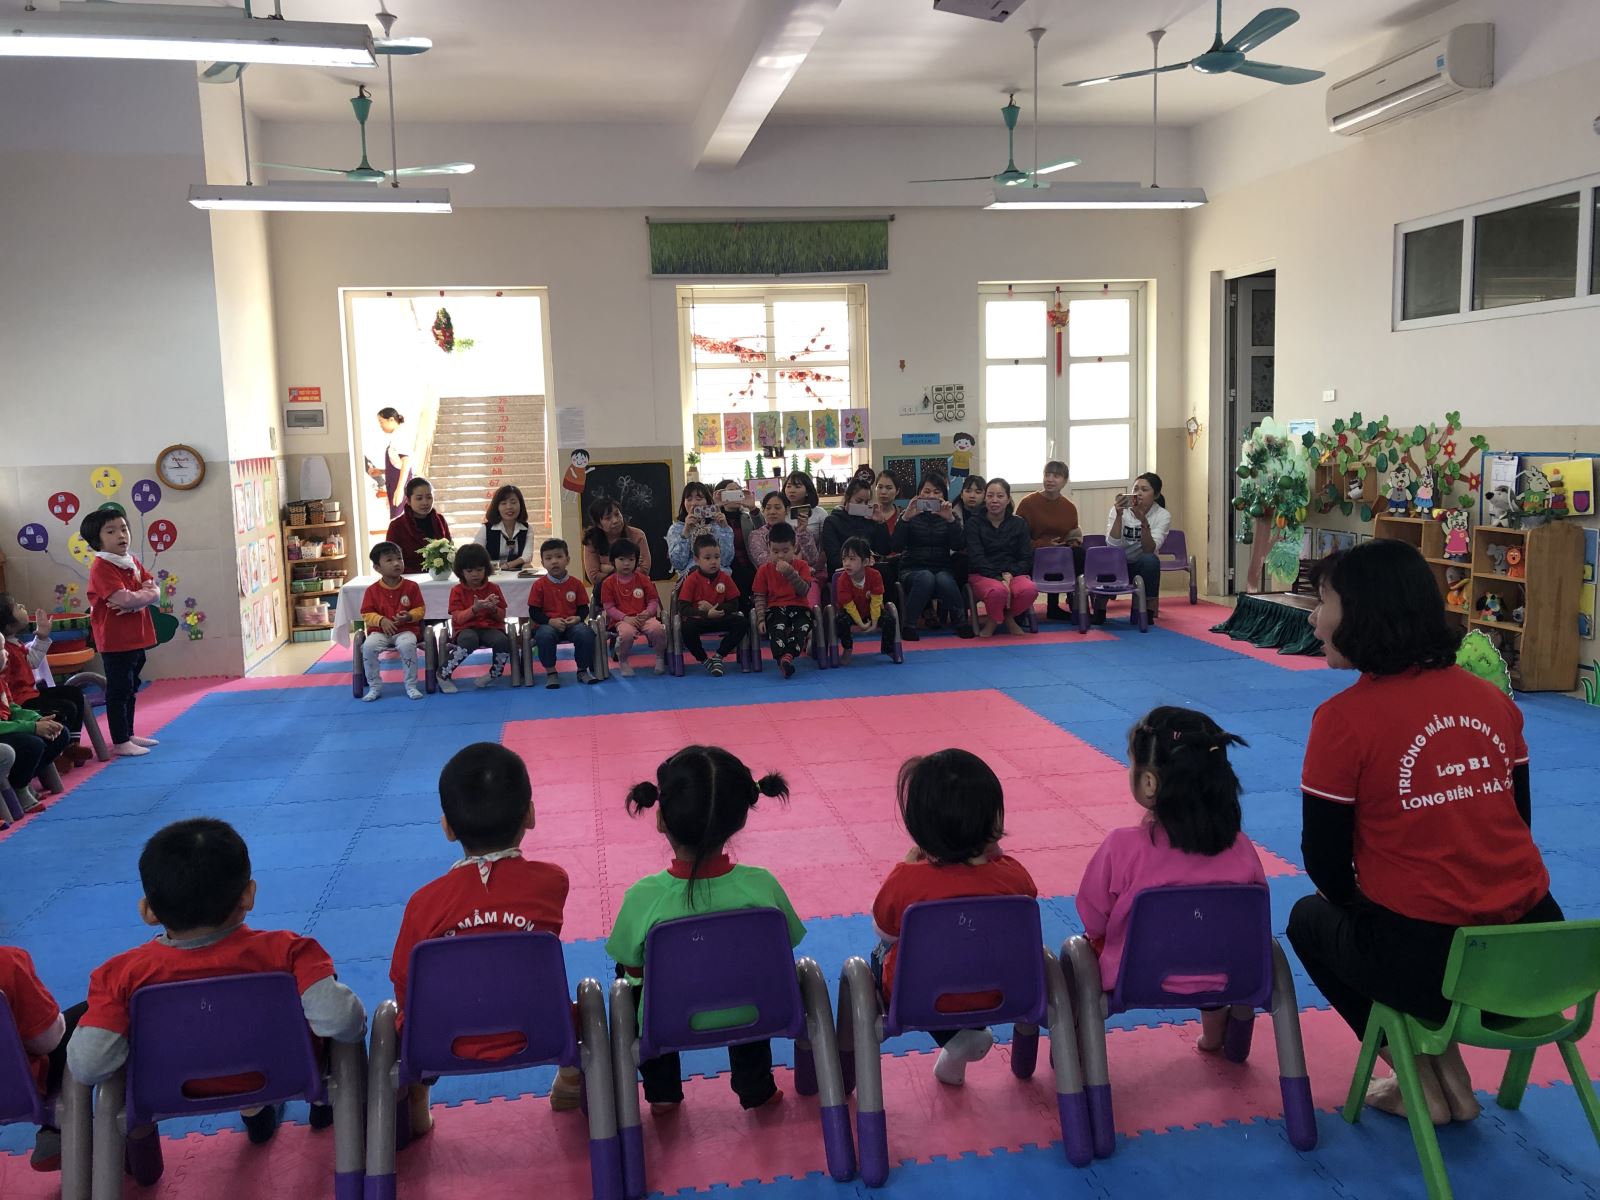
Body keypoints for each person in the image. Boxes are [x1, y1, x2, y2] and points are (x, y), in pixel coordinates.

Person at [1287, 541, 1562, 1126]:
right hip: (1540, 956)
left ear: (1364, 613)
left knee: (1310, 918)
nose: (1313, 618)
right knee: (1400, 918)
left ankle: (1421, 1079)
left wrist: (1376, 905)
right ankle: (1443, 1077)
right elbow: (1518, 822)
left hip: (1434, 966)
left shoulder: (1342, 721)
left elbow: (1326, 865)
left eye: (1324, 601)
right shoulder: (1492, 701)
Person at [67, 819, 366, 1159]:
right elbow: (342, 1021)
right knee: (327, 1000)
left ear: (148, 911)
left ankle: (162, 1154)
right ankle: (312, 1106)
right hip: (288, 1074)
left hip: (164, 1090)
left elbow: (88, 1065)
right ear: (248, 895)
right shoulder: (291, 952)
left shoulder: (119, 976)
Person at [389, 744, 577, 1133]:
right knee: (588, 1006)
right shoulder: (552, 882)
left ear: (447, 828)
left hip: (440, 1039)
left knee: (392, 1022)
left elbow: (404, 984)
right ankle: (572, 1081)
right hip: (541, 1027)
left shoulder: (425, 903)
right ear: (530, 814)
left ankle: (416, 1097)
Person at [606, 746, 802, 1112]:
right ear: (740, 818)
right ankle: (756, 1086)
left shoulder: (643, 897)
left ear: (661, 818)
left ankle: (662, 1093)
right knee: (748, 970)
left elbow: (633, 970)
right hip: (755, 1011)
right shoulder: (762, 885)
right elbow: (785, 945)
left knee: (630, 980)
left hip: (666, 1020)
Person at [1075, 707, 1267, 1052]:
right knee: (1209, 935)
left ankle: (1077, 1050)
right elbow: (1251, 914)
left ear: (1149, 782)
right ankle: (1218, 1036)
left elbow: (1093, 915)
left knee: (1077, 955)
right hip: (1227, 974)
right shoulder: (1241, 847)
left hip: (1136, 975)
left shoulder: (1122, 847)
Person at [871, 749, 1037, 1086]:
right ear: (994, 822)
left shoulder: (907, 880)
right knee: (976, 950)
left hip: (916, 997)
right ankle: (964, 1038)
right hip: (1003, 991)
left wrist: (906, 865)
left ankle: (952, 1036)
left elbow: (884, 931)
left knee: (877, 958)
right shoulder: (1014, 877)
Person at [81, 509, 160, 756]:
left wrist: (139, 600)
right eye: (111, 531)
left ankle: (129, 733)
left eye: (124, 528)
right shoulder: (102, 566)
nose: (121, 535)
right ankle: (120, 740)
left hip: (136, 637)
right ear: (97, 539)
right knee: (119, 689)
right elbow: (123, 599)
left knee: (132, 686)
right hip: (116, 640)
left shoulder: (130, 560)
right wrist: (139, 598)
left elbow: (154, 590)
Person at [0, 943, 82, 1170]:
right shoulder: (7, 962)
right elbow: (48, 1041)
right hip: (14, 1091)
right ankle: (58, 1128)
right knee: (93, 1015)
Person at [1, 595, 92, 770]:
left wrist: (42, 638)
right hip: (21, 701)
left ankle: (72, 745)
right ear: (9, 626)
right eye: (17, 607)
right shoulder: (4, 650)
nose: (22, 605)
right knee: (65, 709)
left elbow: (32, 661)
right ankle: (59, 753)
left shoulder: (14, 643)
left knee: (73, 693)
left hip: (30, 694)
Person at [890, 473, 971, 642]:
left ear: (944, 496)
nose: (931, 496)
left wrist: (950, 520)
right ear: (919, 494)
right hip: (912, 570)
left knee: (944, 579)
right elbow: (896, 546)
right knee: (925, 577)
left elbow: (958, 545)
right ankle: (909, 625)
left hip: (942, 568)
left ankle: (961, 623)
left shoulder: (950, 515)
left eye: (937, 492)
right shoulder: (908, 514)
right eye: (926, 491)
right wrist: (905, 519)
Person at [965, 479, 1037, 638]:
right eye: (990, 495)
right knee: (997, 591)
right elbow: (976, 558)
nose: (994, 500)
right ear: (985, 498)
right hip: (983, 575)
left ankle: (1003, 618)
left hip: (1012, 574)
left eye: (1000, 496)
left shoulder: (1019, 524)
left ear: (1008, 499)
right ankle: (1000, 620)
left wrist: (1010, 573)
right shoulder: (973, 523)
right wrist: (999, 578)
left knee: (1029, 590)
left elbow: (1026, 557)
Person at [1098, 471, 1171, 625]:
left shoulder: (1162, 515)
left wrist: (1143, 522)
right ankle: (1099, 610)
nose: (1138, 493)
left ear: (1156, 495)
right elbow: (1112, 545)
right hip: (1118, 563)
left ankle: (1147, 612)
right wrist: (1119, 516)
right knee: (1108, 557)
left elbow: (1149, 549)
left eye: (1144, 490)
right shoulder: (1119, 510)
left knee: (1150, 560)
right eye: (1136, 489)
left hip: (1140, 565)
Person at [438, 543, 512, 693]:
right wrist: (474, 609)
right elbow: (458, 618)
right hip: (466, 629)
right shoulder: (457, 590)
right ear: (461, 571)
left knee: (502, 641)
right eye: (469, 570)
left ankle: (494, 674)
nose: (475, 574)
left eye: (479, 570)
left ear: (486, 569)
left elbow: (502, 615)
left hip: (490, 627)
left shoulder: (493, 588)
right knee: (469, 640)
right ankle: (443, 674)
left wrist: (493, 609)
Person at [1016, 460, 1083, 621]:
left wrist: (1073, 542)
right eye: (1047, 475)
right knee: (1044, 556)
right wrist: (1043, 545)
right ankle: (1021, 608)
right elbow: (1018, 538)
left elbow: (1073, 533)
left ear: (1064, 481)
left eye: (1056, 476)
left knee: (1080, 554)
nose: (1050, 479)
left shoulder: (1069, 507)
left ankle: (1077, 606)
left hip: (1060, 554)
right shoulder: (1028, 503)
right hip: (1034, 553)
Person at [359, 541, 426, 702]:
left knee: (407, 645)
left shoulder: (412, 587)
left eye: (399, 558)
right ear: (377, 568)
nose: (396, 563)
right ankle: (374, 686)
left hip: (405, 630)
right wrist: (381, 620)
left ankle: (411, 685)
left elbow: (420, 609)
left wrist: (409, 616)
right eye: (389, 560)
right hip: (379, 632)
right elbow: (366, 613)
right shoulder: (372, 590)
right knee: (368, 647)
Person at [528, 538, 598, 688]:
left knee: (585, 634)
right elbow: (533, 611)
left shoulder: (576, 583)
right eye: (549, 558)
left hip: (572, 624)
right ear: (543, 563)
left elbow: (583, 608)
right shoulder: (539, 585)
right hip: (548, 625)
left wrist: (577, 618)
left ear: (567, 560)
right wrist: (549, 621)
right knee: (544, 636)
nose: (554, 561)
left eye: (559, 557)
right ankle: (551, 672)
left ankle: (582, 670)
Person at [677, 534, 748, 677]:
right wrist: (706, 613)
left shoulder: (725, 578)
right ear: (697, 560)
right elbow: (683, 608)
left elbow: (734, 604)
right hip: (700, 620)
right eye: (707, 558)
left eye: (717, 557)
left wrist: (714, 609)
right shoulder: (691, 580)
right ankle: (704, 660)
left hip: (720, 617)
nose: (713, 562)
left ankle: (719, 656)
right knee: (686, 629)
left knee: (741, 622)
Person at [752, 522, 814, 678]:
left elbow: (804, 590)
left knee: (802, 626)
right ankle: (781, 658)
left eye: (785, 551)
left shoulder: (802, 565)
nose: (780, 556)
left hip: (799, 606)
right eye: (775, 551)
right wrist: (761, 619)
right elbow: (760, 597)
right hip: (775, 607)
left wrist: (791, 573)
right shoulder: (764, 570)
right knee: (776, 628)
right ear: (769, 548)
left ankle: (788, 656)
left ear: (795, 548)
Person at [0, 677, 68, 813]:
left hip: (7, 726)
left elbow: (12, 709)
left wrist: (37, 719)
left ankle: (21, 782)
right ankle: (19, 787)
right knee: (31, 744)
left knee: (60, 734)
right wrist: (32, 727)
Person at [601, 540, 666, 677]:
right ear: (613, 560)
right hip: (622, 620)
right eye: (621, 559)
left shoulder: (643, 579)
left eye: (631, 559)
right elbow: (609, 607)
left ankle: (660, 657)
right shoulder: (608, 583)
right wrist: (625, 618)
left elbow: (653, 600)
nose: (626, 563)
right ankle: (623, 660)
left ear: (636, 561)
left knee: (657, 629)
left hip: (644, 618)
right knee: (627, 633)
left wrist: (648, 612)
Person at [835, 536, 897, 664]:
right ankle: (847, 648)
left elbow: (876, 600)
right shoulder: (842, 580)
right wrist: (861, 624)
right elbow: (849, 605)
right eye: (844, 559)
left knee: (890, 620)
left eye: (852, 559)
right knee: (841, 620)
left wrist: (874, 622)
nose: (846, 563)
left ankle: (888, 648)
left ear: (865, 562)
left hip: (871, 611)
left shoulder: (875, 575)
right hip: (851, 612)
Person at [821, 478, 892, 583]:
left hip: (869, 569)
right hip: (843, 570)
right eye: (859, 501)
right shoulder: (832, 521)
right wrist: (860, 561)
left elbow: (884, 550)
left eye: (866, 502)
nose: (863, 505)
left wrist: (881, 523)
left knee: (886, 570)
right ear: (847, 498)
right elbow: (833, 558)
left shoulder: (869, 520)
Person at [747, 491, 826, 578]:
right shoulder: (757, 535)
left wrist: (802, 532)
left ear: (787, 510)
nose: (772, 512)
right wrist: (797, 564)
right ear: (763, 511)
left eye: (777, 508)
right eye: (768, 508)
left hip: (802, 580)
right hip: (772, 580)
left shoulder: (799, 531)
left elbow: (812, 559)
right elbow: (763, 561)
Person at [385, 478, 453, 575]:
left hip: (440, 577)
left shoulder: (440, 520)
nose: (425, 502)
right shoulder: (396, 526)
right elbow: (391, 560)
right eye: (419, 498)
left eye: (429, 497)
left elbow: (450, 549)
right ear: (408, 500)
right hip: (409, 578)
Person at [666, 482, 733, 576]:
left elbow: (726, 561)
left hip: (719, 576)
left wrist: (724, 529)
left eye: (699, 499)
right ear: (683, 503)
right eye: (689, 499)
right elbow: (678, 564)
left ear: (707, 501)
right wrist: (686, 532)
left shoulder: (718, 525)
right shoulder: (676, 529)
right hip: (691, 577)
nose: (694, 503)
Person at [581, 499, 651, 587]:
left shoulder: (637, 535)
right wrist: (627, 568)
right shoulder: (591, 540)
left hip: (636, 589)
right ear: (599, 524)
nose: (615, 521)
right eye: (608, 518)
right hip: (605, 590)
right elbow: (594, 577)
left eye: (617, 514)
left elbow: (644, 571)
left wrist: (607, 568)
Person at [713, 478, 763, 600]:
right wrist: (716, 507)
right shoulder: (713, 521)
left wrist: (753, 508)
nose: (735, 494)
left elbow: (763, 531)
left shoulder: (747, 518)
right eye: (730, 491)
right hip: (724, 570)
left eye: (738, 490)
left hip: (748, 568)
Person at [473, 485, 530, 571]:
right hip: (491, 573)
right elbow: (475, 554)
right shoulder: (486, 529)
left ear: (521, 505)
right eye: (503, 503)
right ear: (497, 507)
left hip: (515, 573)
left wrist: (507, 565)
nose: (509, 507)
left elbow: (527, 556)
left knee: (528, 567)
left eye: (513, 502)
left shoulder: (527, 528)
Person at [370, 407, 412, 521]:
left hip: (399, 484)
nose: (380, 425)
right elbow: (398, 464)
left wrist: (400, 489)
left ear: (391, 420)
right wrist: (382, 471)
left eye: (381, 422)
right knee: (399, 521)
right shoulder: (396, 437)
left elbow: (406, 462)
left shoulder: (400, 437)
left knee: (399, 521)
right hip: (394, 484)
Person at [783, 471, 828, 535]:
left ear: (807, 491)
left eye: (797, 486)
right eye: (788, 486)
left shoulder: (820, 513)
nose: (791, 491)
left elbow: (825, 539)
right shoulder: (781, 513)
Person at [871, 470, 902, 536]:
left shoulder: (902, 515)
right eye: (880, 487)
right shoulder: (868, 514)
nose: (883, 492)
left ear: (897, 491)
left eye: (889, 488)